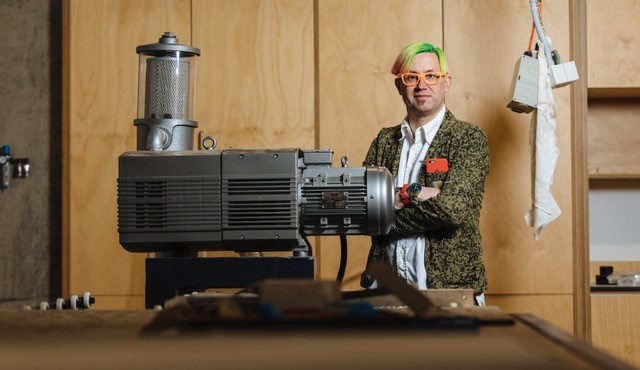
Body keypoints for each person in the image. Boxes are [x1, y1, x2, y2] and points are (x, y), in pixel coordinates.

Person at [360, 42, 489, 305]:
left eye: (431, 75)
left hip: (451, 289)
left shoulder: (468, 138)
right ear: (399, 85)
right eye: (411, 77)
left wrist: (395, 202)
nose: (422, 85)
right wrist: (424, 194)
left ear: (446, 83)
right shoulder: (383, 142)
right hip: (385, 290)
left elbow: (452, 209)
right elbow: (360, 208)